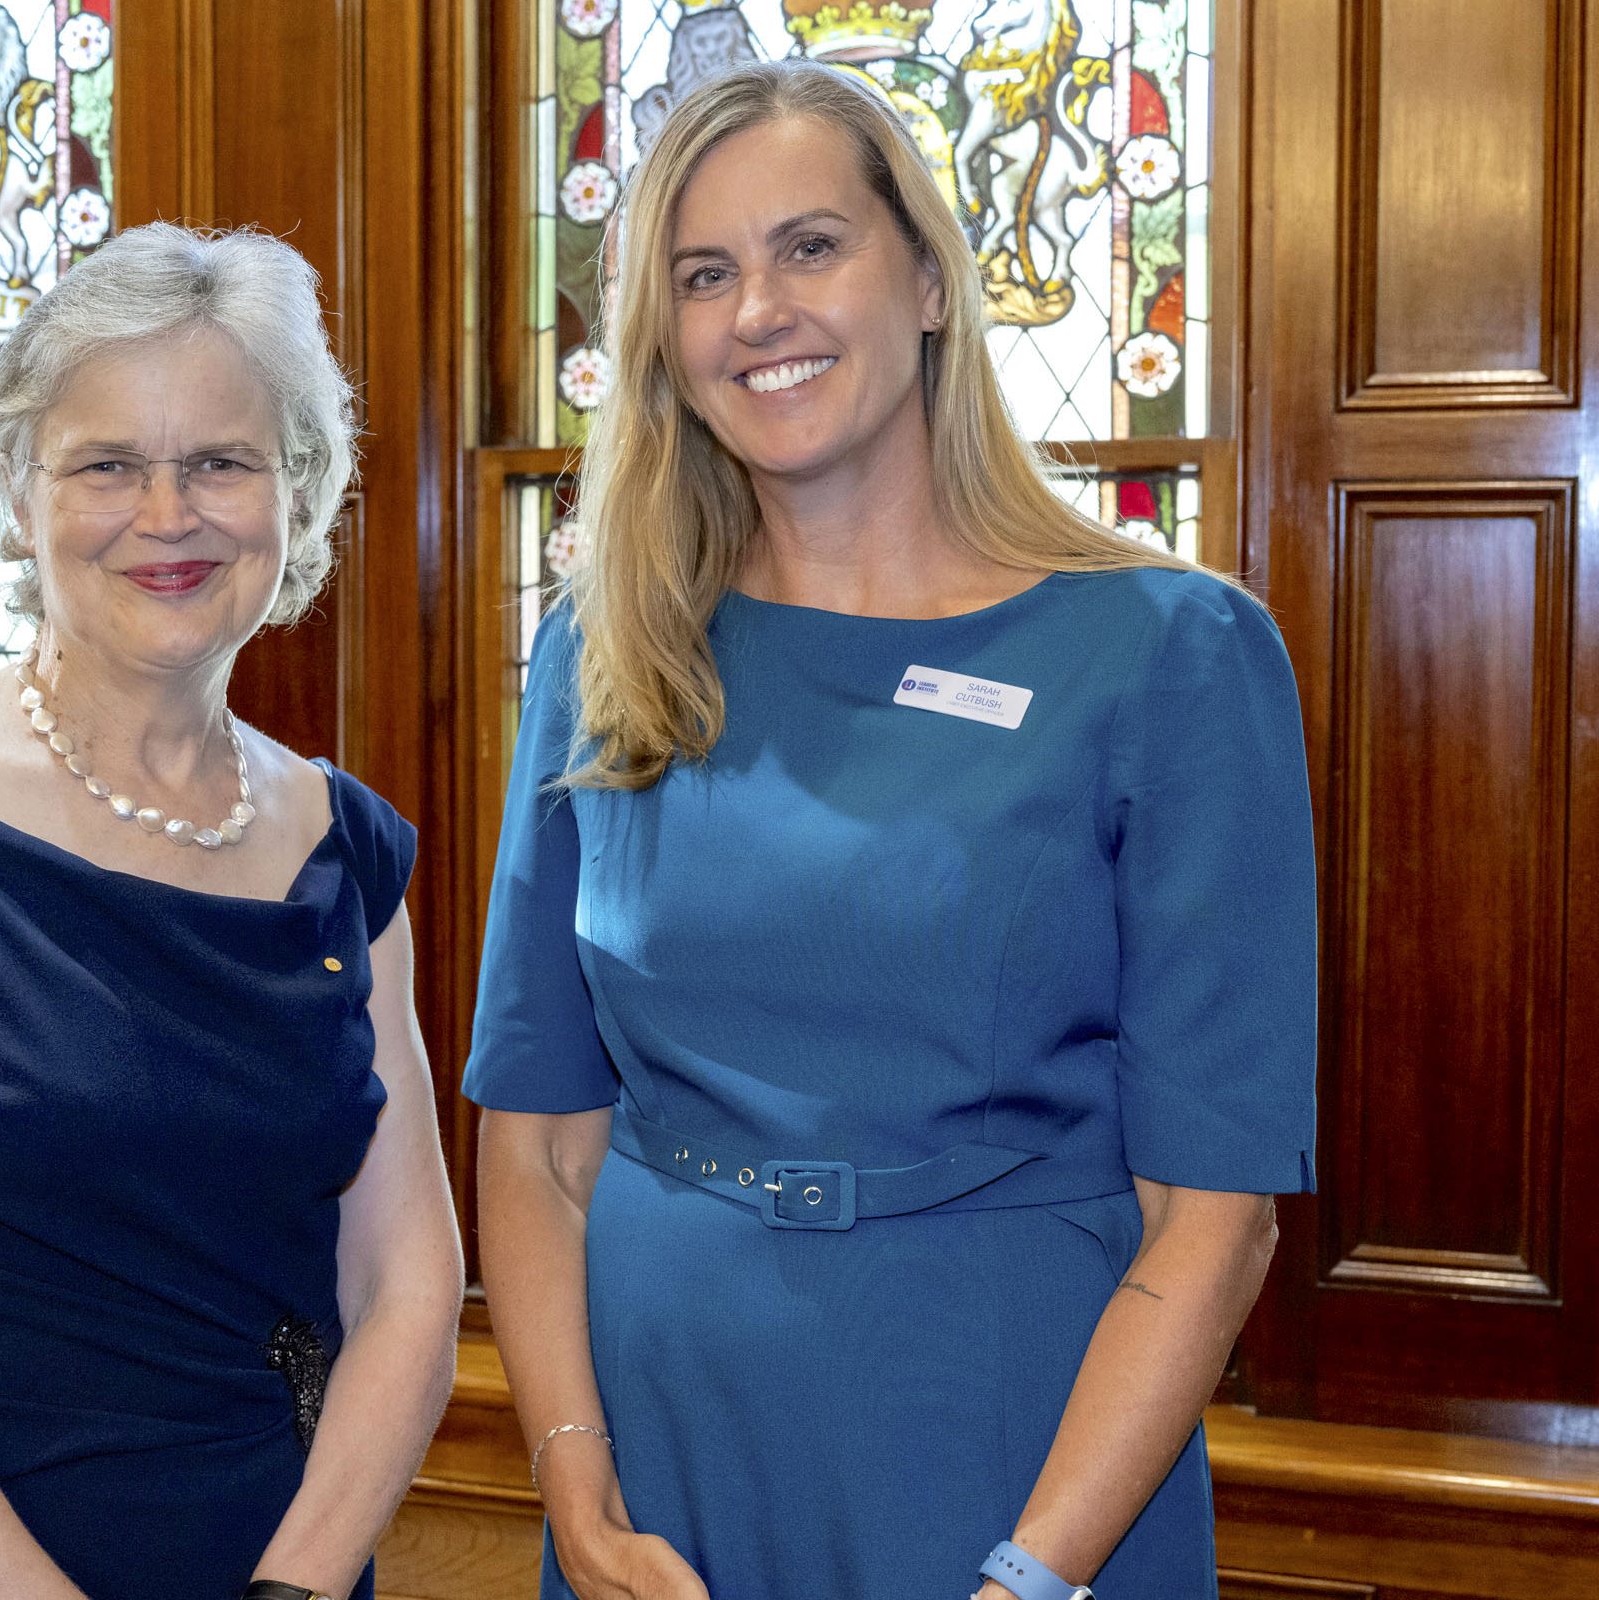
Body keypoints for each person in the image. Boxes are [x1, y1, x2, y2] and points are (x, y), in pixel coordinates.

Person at [466, 61, 1315, 1600]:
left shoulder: (1169, 653)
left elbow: (1218, 1216)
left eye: (811, 248)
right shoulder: (605, 653)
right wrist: (575, 1487)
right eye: (703, 274)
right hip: (657, 1462)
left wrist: (1033, 1576)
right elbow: (534, 1145)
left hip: (1018, 1451)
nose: (757, 313)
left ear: (928, 278)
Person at [0, 222, 463, 1600]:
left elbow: (408, 1289)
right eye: (106, 464)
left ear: (297, 491)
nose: (166, 515)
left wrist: (296, 1587)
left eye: (221, 463)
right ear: (17, 493)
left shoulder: (346, 853)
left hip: (262, 1561)